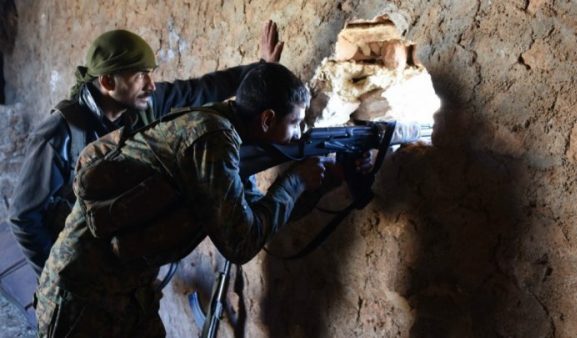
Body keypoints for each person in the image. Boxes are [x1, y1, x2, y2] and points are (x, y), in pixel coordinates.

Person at [35, 62, 371, 337]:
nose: (299, 134)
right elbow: (240, 242)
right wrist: (296, 180)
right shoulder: (213, 138)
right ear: (267, 119)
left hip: (124, 291)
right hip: (82, 296)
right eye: (296, 123)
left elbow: (257, 213)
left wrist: (325, 182)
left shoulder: (225, 130)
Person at [9, 21, 284, 276]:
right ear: (107, 82)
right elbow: (24, 217)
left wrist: (260, 70)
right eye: (141, 76)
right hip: (81, 266)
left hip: (122, 264)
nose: (151, 85)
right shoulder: (60, 133)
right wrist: (55, 275)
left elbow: (201, 89)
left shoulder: (143, 104)